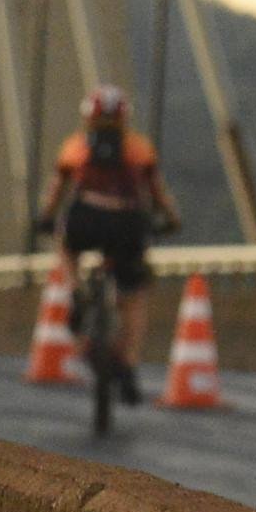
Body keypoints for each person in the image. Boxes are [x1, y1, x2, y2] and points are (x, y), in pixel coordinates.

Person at [39, 86, 179, 401]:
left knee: (65, 243)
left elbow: (56, 191)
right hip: (128, 225)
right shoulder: (138, 148)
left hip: (86, 220)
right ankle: (128, 362)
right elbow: (157, 193)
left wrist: (46, 218)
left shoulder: (76, 147)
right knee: (135, 296)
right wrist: (171, 220)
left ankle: (75, 290)